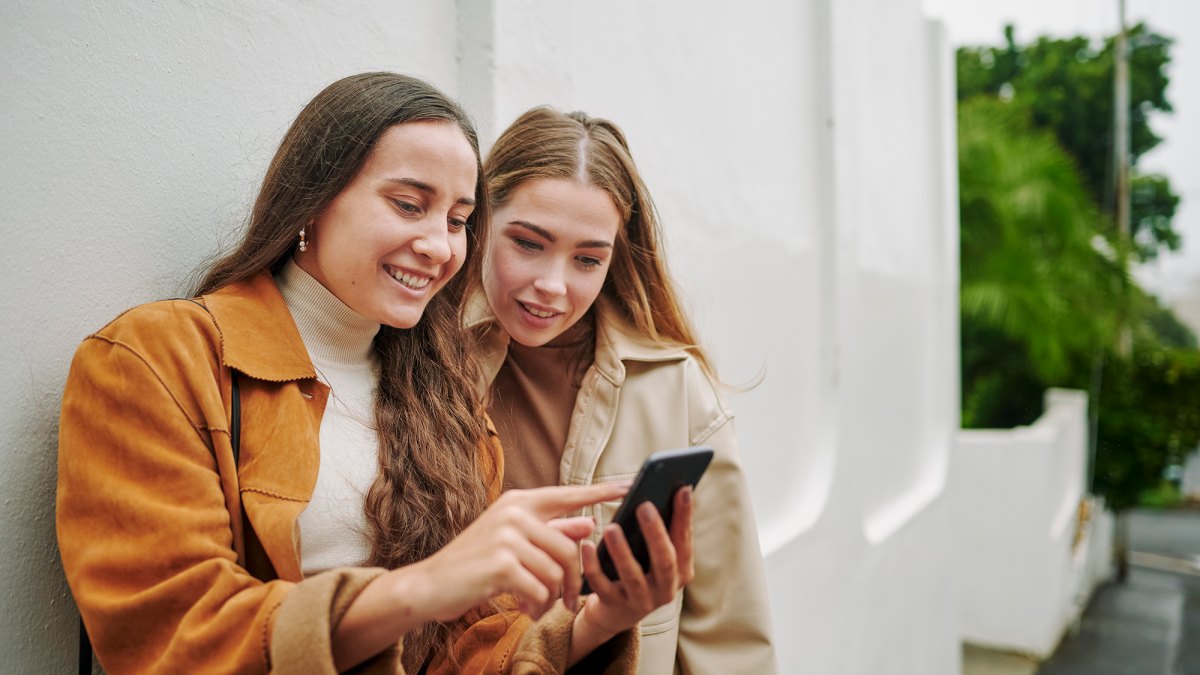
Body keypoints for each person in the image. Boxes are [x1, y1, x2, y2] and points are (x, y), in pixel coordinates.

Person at [56, 73, 694, 675]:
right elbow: (168, 632)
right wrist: (419, 588)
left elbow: (460, 649)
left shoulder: (444, 398)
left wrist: (597, 622)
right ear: (312, 201)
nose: (440, 247)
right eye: (409, 205)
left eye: (457, 220)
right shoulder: (156, 357)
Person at [472, 107, 778, 674]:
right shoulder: (424, 364)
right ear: (479, 221)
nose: (553, 285)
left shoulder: (676, 388)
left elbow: (728, 633)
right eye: (528, 243)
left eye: (587, 258)